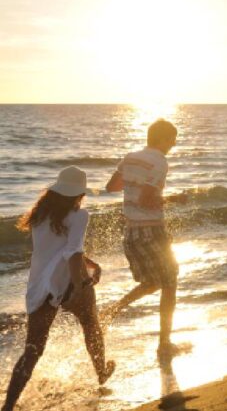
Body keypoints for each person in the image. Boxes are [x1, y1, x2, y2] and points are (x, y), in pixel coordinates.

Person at [2, 167, 114, 411]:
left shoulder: (39, 216)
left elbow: (59, 250)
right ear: (79, 193)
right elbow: (72, 252)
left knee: (33, 349)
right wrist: (80, 286)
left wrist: (90, 262)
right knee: (91, 325)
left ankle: (8, 405)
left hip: (40, 284)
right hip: (67, 280)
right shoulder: (79, 215)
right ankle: (102, 372)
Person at [103, 118, 180, 359]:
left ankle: (113, 309)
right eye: (172, 139)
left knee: (153, 282)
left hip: (131, 231)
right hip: (151, 230)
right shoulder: (159, 161)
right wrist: (176, 199)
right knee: (170, 283)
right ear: (162, 139)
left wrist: (133, 181)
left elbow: (112, 186)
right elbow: (148, 199)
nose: (173, 144)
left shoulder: (130, 156)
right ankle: (164, 344)